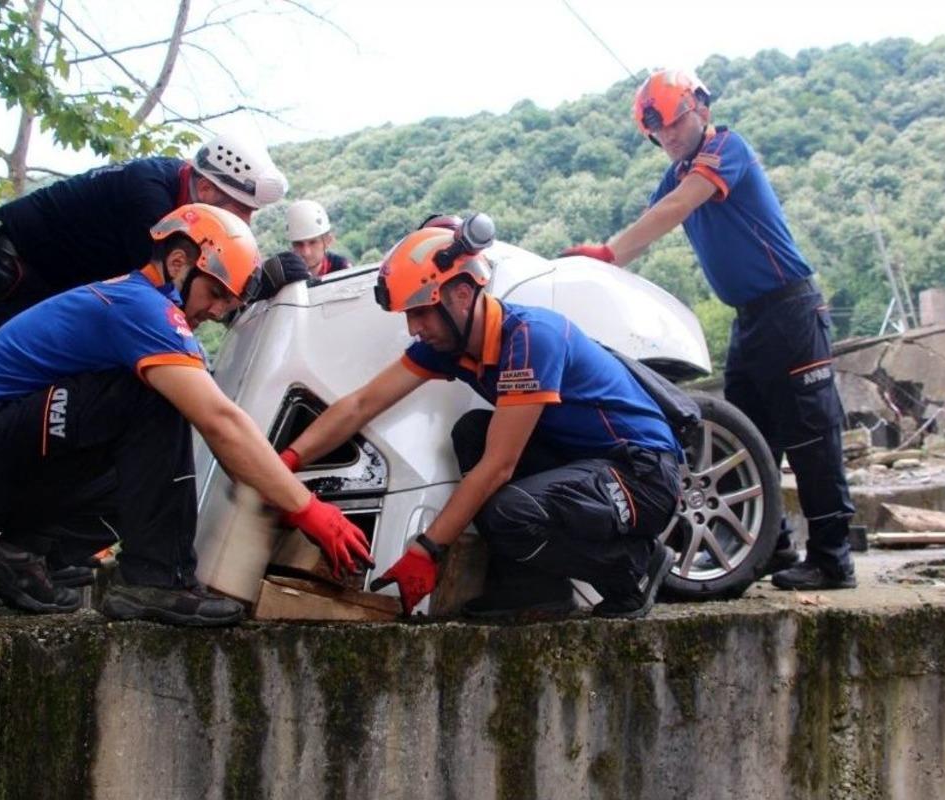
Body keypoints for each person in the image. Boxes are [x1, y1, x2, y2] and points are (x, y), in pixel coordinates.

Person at [0, 204, 372, 626]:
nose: (214, 311)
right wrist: (308, 509)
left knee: (144, 481)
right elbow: (220, 422)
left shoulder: (147, 309)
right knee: (163, 398)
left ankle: (19, 555)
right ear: (178, 263)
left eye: (225, 302)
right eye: (213, 293)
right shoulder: (141, 309)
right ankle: (158, 579)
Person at [0, 133, 288, 570]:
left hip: (40, 276)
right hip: (6, 267)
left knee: (97, 403)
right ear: (206, 190)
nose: (245, 223)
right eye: (240, 211)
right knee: (28, 397)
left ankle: (19, 541)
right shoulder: (150, 199)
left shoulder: (170, 196)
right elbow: (168, 309)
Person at [279, 217, 682, 619]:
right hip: (586, 463)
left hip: (641, 477)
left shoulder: (529, 339)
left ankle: (634, 568)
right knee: (473, 432)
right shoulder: (451, 346)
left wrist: (427, 551)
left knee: (507, 509)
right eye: (408, 316)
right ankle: (536, 589)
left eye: (421, 312)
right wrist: (284, 465)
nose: (414, 328)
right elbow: (362, 404)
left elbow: (498, 468)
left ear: (461, 292)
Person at [563, 69, 856, 591]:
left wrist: (609, 253)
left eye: (674, 124)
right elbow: (653, 216)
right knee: (746, 442)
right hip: (750, 319)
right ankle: (771, 547)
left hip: (791, 308)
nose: (668, 138)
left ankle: (834, 559)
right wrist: (596, 271)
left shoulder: (726, 148)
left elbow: (677, 208)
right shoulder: (675, 174)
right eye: (658, 133)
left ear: (700, 108)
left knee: (812, 436)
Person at [285, 199, 353, 278]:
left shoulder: (341, 268)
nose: (306, 252)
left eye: (313, 242)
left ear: (328, 241)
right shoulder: (285, 275)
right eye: (299, 244)